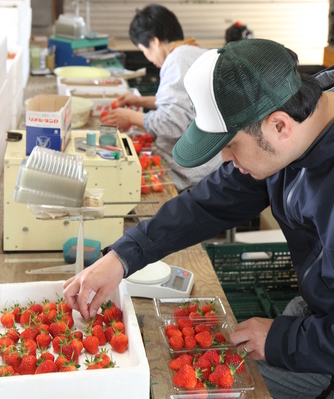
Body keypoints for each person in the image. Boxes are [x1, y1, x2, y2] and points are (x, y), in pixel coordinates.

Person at [64, 38, 334, 399]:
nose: (225, 158)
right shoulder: (290, 126)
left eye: (230, 145)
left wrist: (282, 339)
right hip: (317, 307)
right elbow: (210, 203)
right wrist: (123, 255)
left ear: (279, 127)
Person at [100, 4, 222, 192]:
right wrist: (140, 101)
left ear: (154, 41)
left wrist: (131, 117)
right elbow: (186, 106)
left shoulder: (177, 59)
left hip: (195, 174)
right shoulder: (192, 52)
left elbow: (172, 123)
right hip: (212, 166)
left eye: (144, 51)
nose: (148, 58)